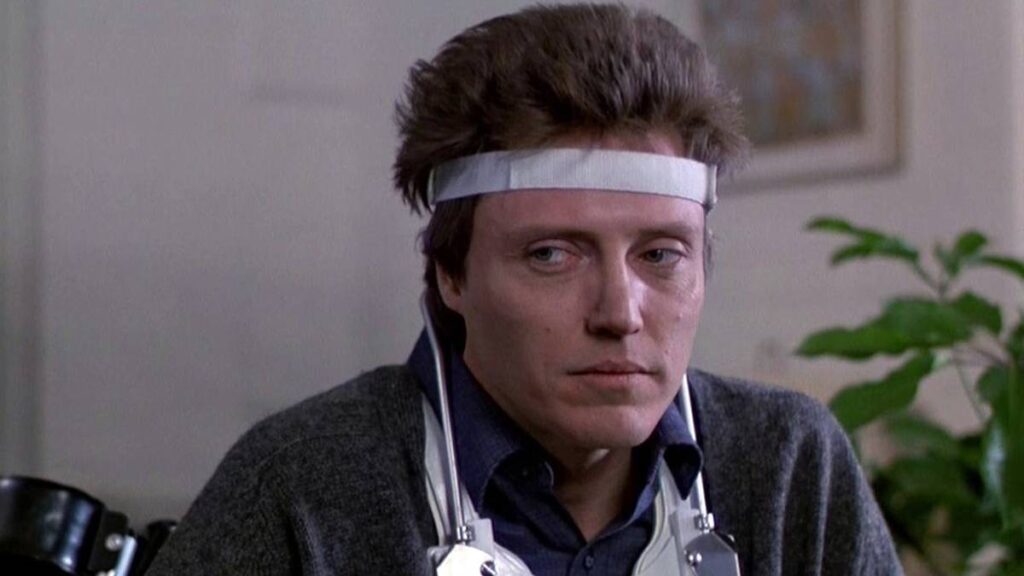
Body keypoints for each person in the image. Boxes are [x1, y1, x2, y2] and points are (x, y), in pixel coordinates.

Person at [147, 4, 901, 575]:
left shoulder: (789, 469)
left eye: (660, 255)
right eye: (551, 254)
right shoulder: (299, 489)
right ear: (451, 274)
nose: (620, 313)